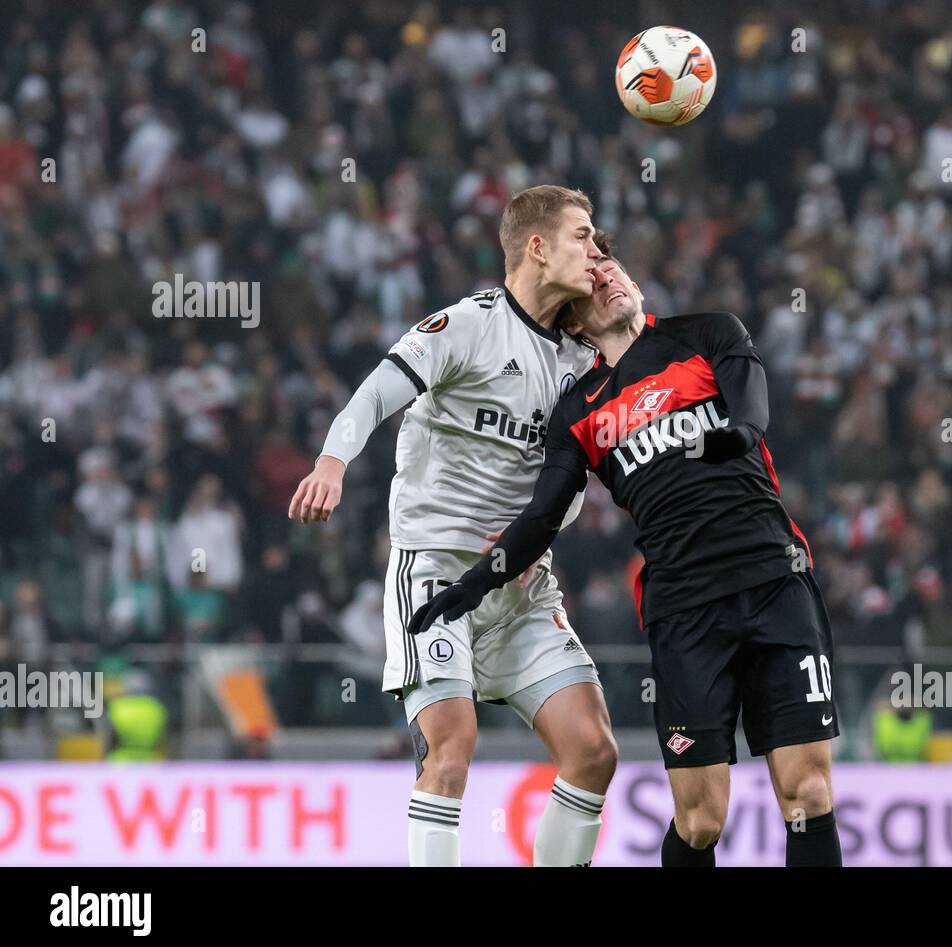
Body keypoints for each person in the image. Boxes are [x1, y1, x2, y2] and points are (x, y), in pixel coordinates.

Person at [409, 245, 842, 866]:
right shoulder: (579, 410)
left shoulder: (708, 332)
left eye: (614, 269)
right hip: (685, 609)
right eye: (593, 281)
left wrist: (739, 435)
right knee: (699, 821)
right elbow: (540, 519)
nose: (607, 276)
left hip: (775, 580)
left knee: (808, 791)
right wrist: (472, 585)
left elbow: (751, 405)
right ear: (577, 325)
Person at [288, 185, 617, 867]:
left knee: (593, 752)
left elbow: (577, 477)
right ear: (536, 246)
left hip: (523, 593)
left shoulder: (585, 364)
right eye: (582, 234)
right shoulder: (469, 326)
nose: (596, 248)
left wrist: (540, 534)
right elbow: (378, 389)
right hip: (437, 574)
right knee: (451, 749)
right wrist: (331, 462)